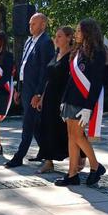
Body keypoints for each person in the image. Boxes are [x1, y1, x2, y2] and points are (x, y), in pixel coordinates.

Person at [56, 18, 107, 187]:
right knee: (71, 136)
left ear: (88, 32)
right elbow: (71, 80)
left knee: (78, 135)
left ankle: (95, 165)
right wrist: (63, 100)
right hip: (71, 99)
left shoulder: (98, 52)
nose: (76, 34)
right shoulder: (77, 51)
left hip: (83, 101)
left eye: (79, 31)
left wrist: (88, 107)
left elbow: (97, 83)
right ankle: (72, 174)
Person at [6, 13, 55, 168]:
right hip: (25, 87)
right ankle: (45, 152)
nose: (30, 26)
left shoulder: (46, 42)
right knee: (34, 123)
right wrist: (18, 89)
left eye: (34, 24)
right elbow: (23, 66)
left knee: (28, 122)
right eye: (29, 24)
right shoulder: (29, 41)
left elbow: (44, 71)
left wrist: (38, 93)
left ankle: (19, 156)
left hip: (35, 90)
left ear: (43, 25)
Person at [35, 26, 74, 173]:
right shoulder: (56, 53)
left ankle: (79, 156)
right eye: (55, 36)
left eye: (60, 36)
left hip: (63, 97)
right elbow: (48, 79)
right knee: (45, 127)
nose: (56, 39)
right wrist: (42, 98)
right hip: (50, 97)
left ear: (69, 38)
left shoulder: (72, 56)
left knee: (66, 129)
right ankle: (48, 160)